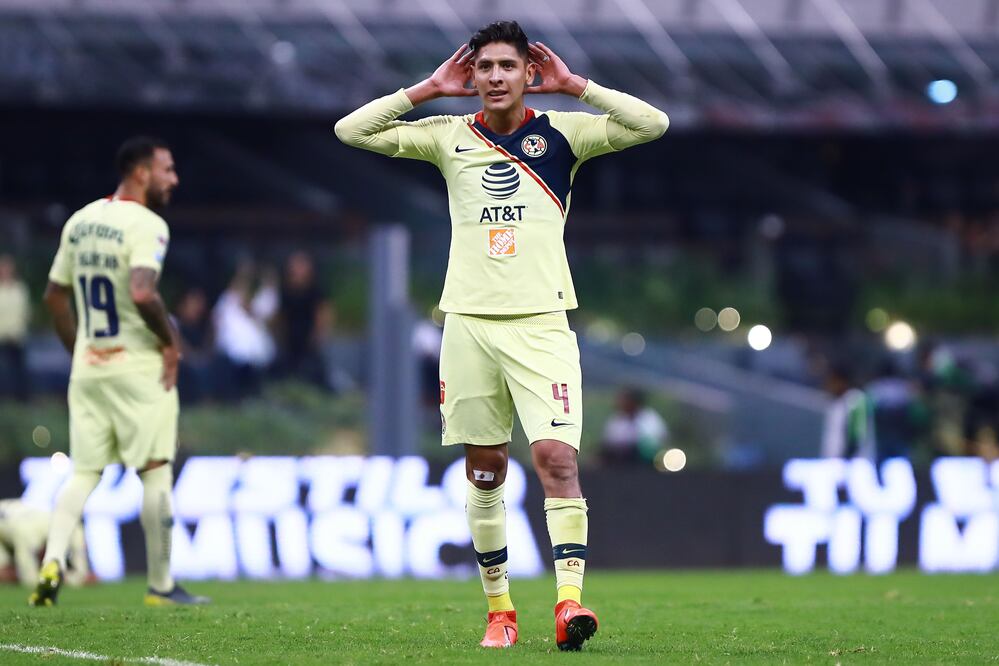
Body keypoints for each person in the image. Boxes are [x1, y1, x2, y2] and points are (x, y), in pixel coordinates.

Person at [336, 20, 668, 650]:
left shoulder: (565, 132)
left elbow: (653, 125)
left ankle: (569, 604)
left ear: (528, 74)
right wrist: (428, 90)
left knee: (556, 459)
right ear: (472, 75)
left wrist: (578, 86)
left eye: (506, 67)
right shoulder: (447, 135)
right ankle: (500, 610)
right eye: (483, 67)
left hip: (543, 323)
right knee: (486, 471)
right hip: (467, 324)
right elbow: (350, 131)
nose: (493, 77)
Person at [30, 136, 208, 607]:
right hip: (138, 368)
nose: (174, 179)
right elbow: (143, 292)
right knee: (155, 473)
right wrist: (170, 345)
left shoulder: (81, 221)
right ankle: (162, 586)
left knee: (83, 472)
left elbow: (53, 295)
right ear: (141, 172)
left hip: (89, 367)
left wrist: (78, 349)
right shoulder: (148, 224)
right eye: (167, 170)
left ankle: (51, 560)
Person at [0, 499, 89, 587]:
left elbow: (81, 574)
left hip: (16, 516)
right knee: (5, 574)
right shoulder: (29, 535)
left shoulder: (74, 530)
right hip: (7, 524)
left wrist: (76, 578)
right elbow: (30, 579)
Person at [600, 388, 668, 465]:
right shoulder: (616, 419)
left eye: (625, 400)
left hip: (644, 459)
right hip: (620, 460)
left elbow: (656, 440)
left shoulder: (649, 417)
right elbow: (609, 441)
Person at [0, 254, 31, 401]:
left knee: (20, 370)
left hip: (17, 336)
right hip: (2, 337)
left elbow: (24, 312)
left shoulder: (20, 289)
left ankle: (22, 398)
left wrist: (18, 330)